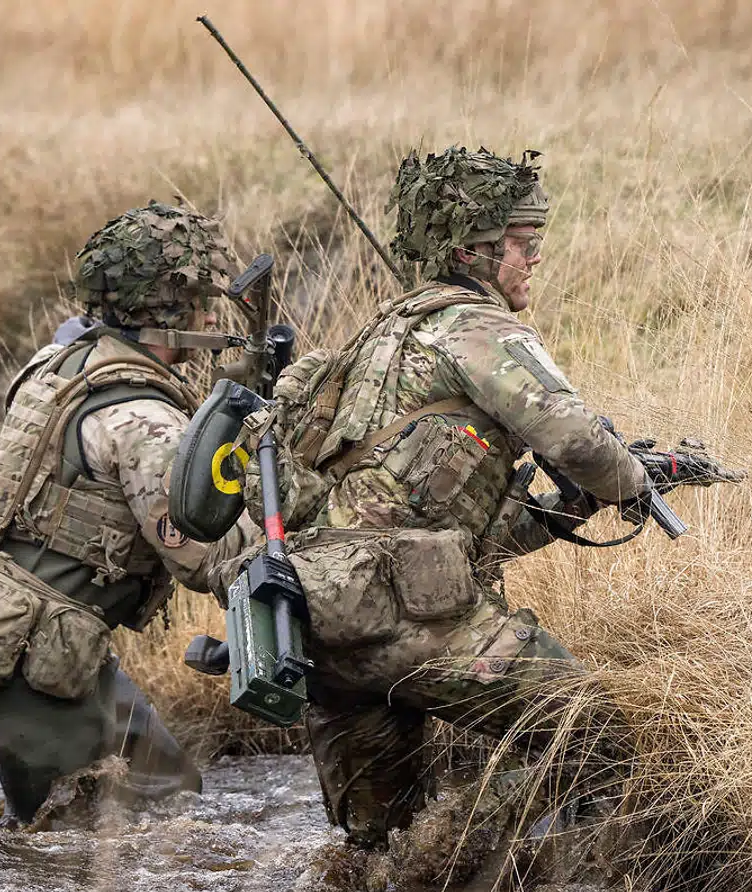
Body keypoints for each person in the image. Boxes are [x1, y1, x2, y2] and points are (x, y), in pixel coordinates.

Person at [266, 146, 660, 849]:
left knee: (371, 853)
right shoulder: (479, 329)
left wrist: (572, 508)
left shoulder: (373, 341)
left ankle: (416, 864)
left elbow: (423, 513)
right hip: (410, 614)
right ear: (473, 251)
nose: (535, 257)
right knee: (594, 732)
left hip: (322, 628)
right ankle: (452, 849)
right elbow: (574, 441)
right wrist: (632, 482)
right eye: (522, 242)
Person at [0, 201, 257, 822]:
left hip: (22, 642)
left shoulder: (60, 365)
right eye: (203, 298)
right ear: (170, 310)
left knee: (164, 801)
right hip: (27, 663)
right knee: (124, 837)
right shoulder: (142, 420)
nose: (214, 313)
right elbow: (208, 554)